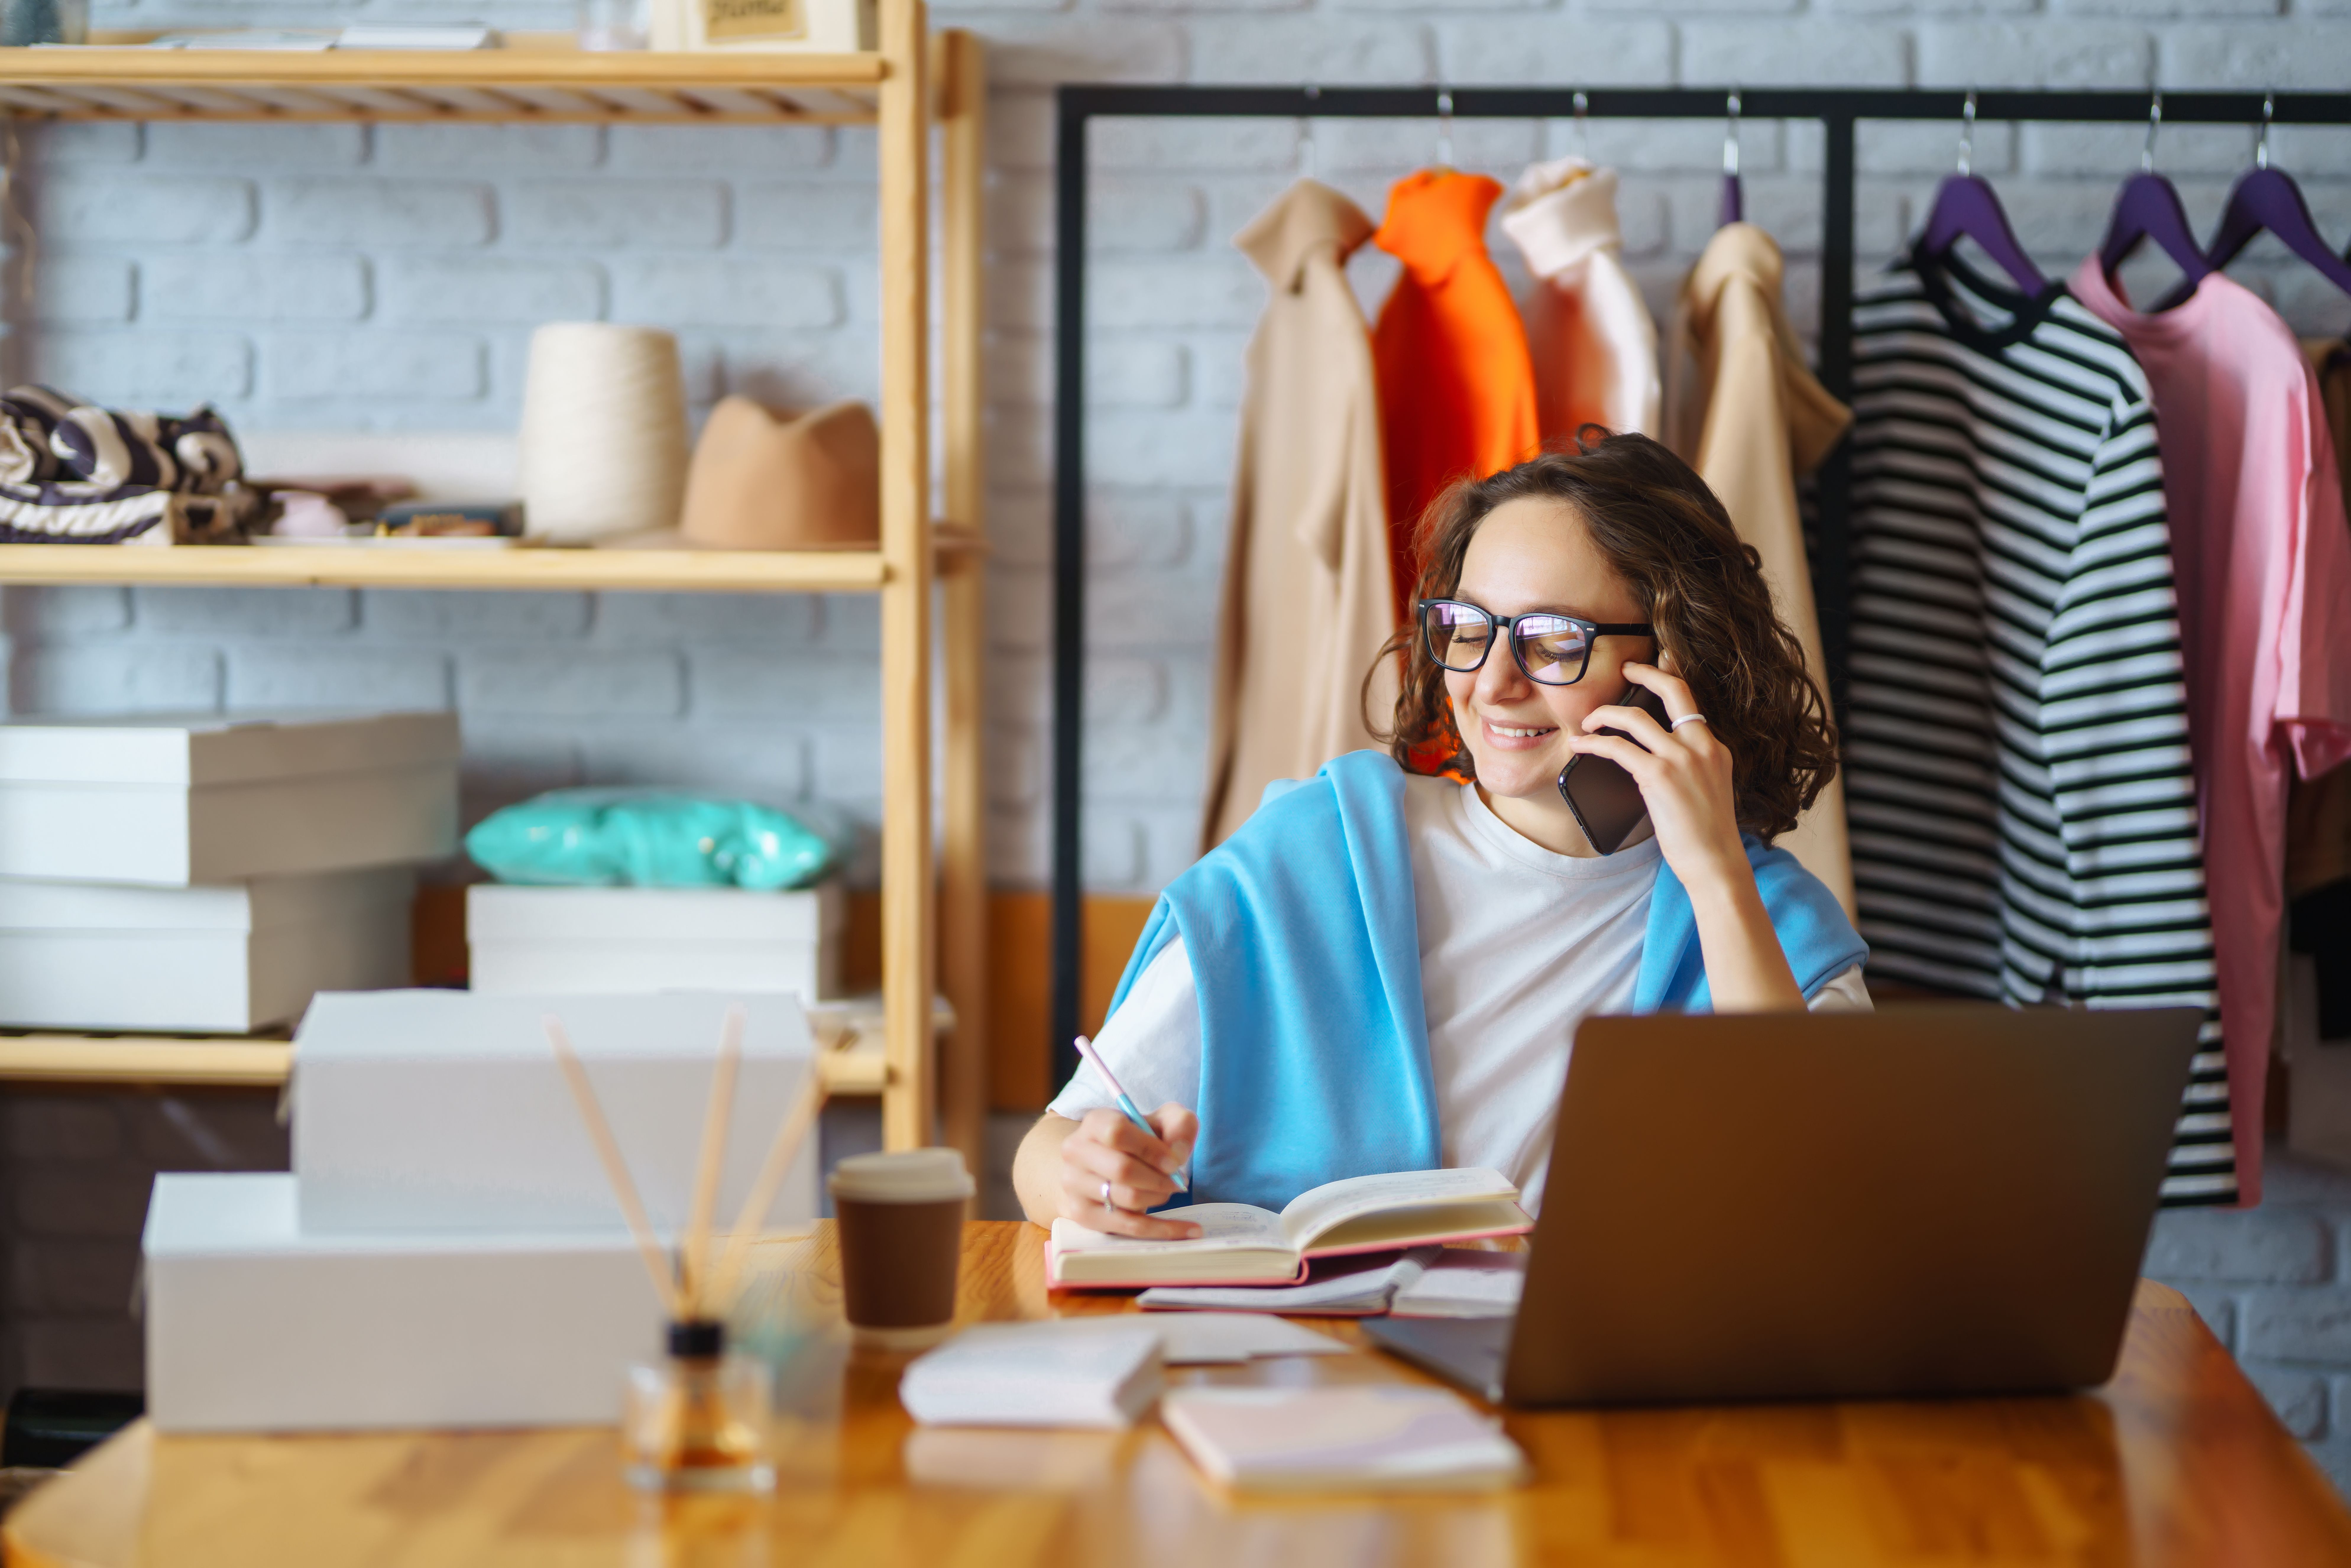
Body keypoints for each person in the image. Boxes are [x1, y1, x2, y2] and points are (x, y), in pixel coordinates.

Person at [1013, 433, 1870, 1240]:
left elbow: (1822, 1214)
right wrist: (1088, 1180)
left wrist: (1717, 876)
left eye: (1552, 641)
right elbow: (1047, 1155)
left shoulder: (1771, 923)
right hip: (1305, 1346)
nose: (1492, 684)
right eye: (1468, 628)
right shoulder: (1313, 855)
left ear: (1678, 661)